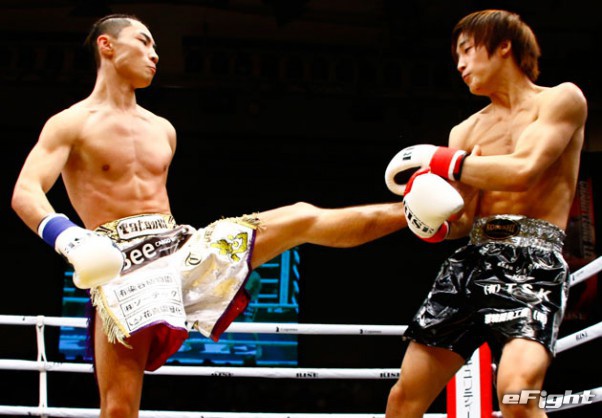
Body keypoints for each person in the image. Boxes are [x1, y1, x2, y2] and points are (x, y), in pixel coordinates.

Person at [9, 13, 428, 418]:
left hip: (178, 247)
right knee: (119, 408)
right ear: (107, 45)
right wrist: (70, 238)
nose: (155, 53)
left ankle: (412, 209)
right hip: (120, 263)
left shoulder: (162, 128)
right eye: (144, 41)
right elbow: (25, 191)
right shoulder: (70, 123)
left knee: (301, 216)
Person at [383, 9, 587, 418]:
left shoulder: (560, 99)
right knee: (404, 398)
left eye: (467, 50)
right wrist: (434, 224)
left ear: (503, 45)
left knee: (516, 395)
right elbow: (462, 221)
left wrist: (443, 161)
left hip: (533, 265)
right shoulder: (465, 132)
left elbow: (524, 170)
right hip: (471, 263)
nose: (460, 64)